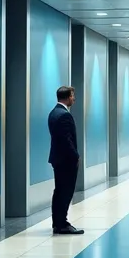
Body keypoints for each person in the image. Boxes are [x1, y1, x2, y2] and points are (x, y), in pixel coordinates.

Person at [48, 85, 83, 235]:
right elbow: (66, 140)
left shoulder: (54, 113)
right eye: (72, 96)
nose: (74, 99)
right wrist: (75, 156)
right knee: (65, 192)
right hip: (66, 161)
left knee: (59, 191)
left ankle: (58, 222)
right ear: (67, 97)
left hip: (58, 159)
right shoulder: (64, 115)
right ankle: (62, 224)